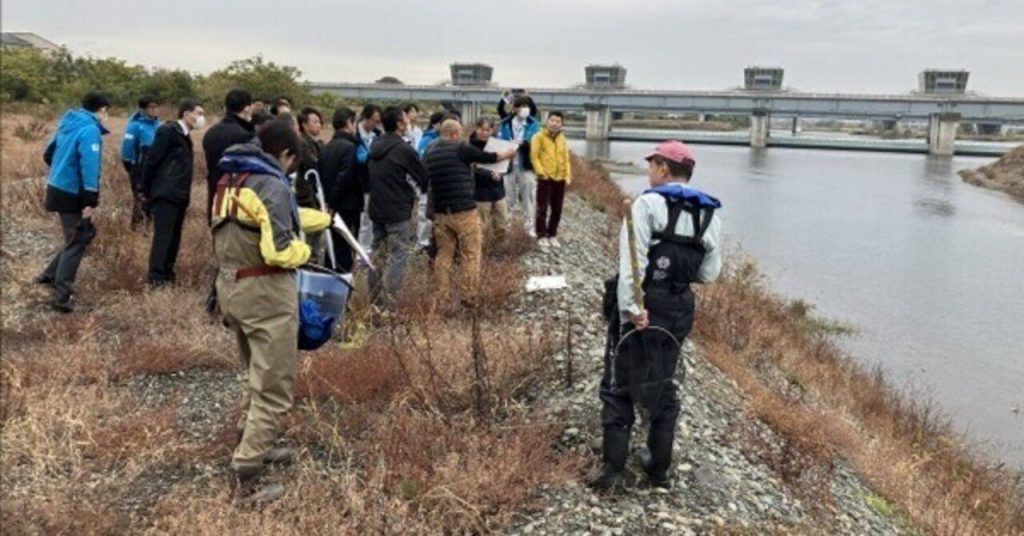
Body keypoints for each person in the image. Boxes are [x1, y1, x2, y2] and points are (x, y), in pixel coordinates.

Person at [591, 140, 723, 493]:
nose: (649, 171)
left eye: (652, 165)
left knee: (619, 382)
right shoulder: (708, 212)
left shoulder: (647, 204)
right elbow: (709, 273)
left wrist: (633, 309)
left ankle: (613, 473)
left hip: (643, 305)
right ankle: (658, 468)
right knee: (664, 380)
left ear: (663, 168)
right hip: (678, 309)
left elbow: (631, 263)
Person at [210, 118, 329, 504]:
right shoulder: (271, 183)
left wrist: (321, 219)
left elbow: (261, 221)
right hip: (265, 293)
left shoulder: (233, 178)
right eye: (293, 161)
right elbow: (278, 250)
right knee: (275, 386)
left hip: (233, 288)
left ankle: (254, 441)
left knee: (255, 374)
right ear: (287, 154)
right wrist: (305, 251)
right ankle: (246, 474)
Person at [424, 119, 515, 301]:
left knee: (444, 254)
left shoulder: (430, 150)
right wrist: (507, 153)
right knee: (471, 253)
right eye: (459, 133)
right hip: (464, 210)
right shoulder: (460, 147)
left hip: (441, 211)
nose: (461, 136)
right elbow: (487, 158)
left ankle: (442, 295)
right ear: (454, 134)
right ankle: (468, 295)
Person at [36, 91, 111, 313]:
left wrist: (62, 168)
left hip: (57, 187)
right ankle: (61, 297)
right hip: (72, 191)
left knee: (77, 236)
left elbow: (49, 154)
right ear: (102, 109)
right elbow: (89, 164)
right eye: (107, 111)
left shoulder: (68, 122)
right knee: (78, 238)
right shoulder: (90, 130)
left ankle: (49, 275)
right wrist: (90, 196)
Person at [366, 106, 427, 310]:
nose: (408, 122)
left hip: (376, 208)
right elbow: (423, 176)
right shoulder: (404, 149)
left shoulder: (375, 144)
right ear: (399, 124)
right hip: (398, 209)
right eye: (405, 119)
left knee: (377, 254)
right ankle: (392, 305)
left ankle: (375, 302)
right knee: (399, 255)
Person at [141, 99, 205, 287]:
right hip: (166, 193)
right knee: (163, 237)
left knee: (174, 237)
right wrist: (146, 190)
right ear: (186, 114)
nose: (201, 118)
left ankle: (167, 274)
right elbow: (152, 161)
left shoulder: (184, 135)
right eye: (198, 113)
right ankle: (156, 278)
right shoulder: (168, 131)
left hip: (179, 194)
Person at [202, 89, 255, 220]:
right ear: (247, 108)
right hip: (237, 199)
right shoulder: (245, 135)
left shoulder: (210, 132)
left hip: (214, 194)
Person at [319, 107, 360, 272]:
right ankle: (342, 280)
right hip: (345, 205)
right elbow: (344, 178)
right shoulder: (349, 148)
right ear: (349, 123)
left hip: (330, 204)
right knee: (344, 248)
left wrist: (328, 202)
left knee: (332, 247)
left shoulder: (326, 147)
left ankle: (329, 276)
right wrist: (334, 203)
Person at [496, 95, 541, 237]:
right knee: (508, 197)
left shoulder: (534, 124)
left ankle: (530, 227)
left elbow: (537, 143)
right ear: (515, 109)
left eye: (526, 106)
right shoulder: (505, 123)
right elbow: (499, 141)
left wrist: (524, 143)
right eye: (521, 106)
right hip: (508, 165)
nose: (524, 109)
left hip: (526, 165)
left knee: (528, 197)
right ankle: (506, 227)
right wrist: (507, 147)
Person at [530, 111, 572, 250]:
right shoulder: (538, 136)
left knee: (557, 209)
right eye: (552, 120)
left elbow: (566, 158)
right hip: (545, 178)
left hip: (560, 178)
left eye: (558, 121)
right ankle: (541, 235)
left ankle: (552, 234)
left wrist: (567, 175)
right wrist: (541, 173)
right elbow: (534, 157)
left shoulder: (562, 138)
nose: (555, 123)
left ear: (561, 124)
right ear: (547, 121)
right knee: (542, 208)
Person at [120, 95, 161, 229]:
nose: (154, 110)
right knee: (141, 198)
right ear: (143, 109)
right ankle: (137, 227)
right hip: (139, 167)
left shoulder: (159, 125)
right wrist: (130, 166)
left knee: (154, 197)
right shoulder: (135, 126)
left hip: (155, 168)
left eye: (156, 106)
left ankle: (149, 226)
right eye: (150, 107)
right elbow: (126, 149)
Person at [470, 116, 508, 244]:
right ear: (476, 129)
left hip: (499, 192)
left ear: (492, 130)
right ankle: (482, 250)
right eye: (482, 129)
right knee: (482, 227)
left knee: (502, 225)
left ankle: (498, 249)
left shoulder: (499, 144)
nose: (485, 133)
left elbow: (508, 165)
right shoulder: (470, 146)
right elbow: (473, 168)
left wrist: (501, 173)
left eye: (488, 130)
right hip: (480, 193)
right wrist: (490, 174)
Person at [354, 104, 383, 254]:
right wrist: (371, 154)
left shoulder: (377, 134)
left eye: (378, 121)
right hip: (359, 182)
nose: (376, 125)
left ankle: (371, 247)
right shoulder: (355, 135)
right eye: (374, 121)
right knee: (363, 218)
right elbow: (357, 158)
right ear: (365, 117)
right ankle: (362, 249)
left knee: (372, 217)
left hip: (375, 181)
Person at [294, 106, 324, 209]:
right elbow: (313, 163)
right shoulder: (302, 142)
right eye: (315, 122)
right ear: (304, 125)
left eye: (319, 122)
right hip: (306, 192)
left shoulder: (317, 142)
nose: (319, 125)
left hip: (314, 190)